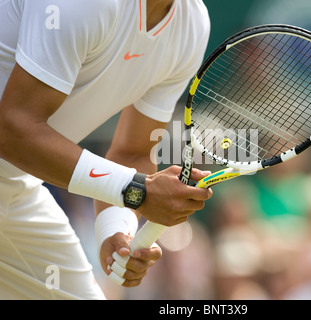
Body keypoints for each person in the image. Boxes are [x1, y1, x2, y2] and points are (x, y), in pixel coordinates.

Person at [0, 0, 212, 299]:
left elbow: (133, 153)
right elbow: (11, 130)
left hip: (17, 190)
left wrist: (115, 231)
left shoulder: (192, 26)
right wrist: (139, 190)